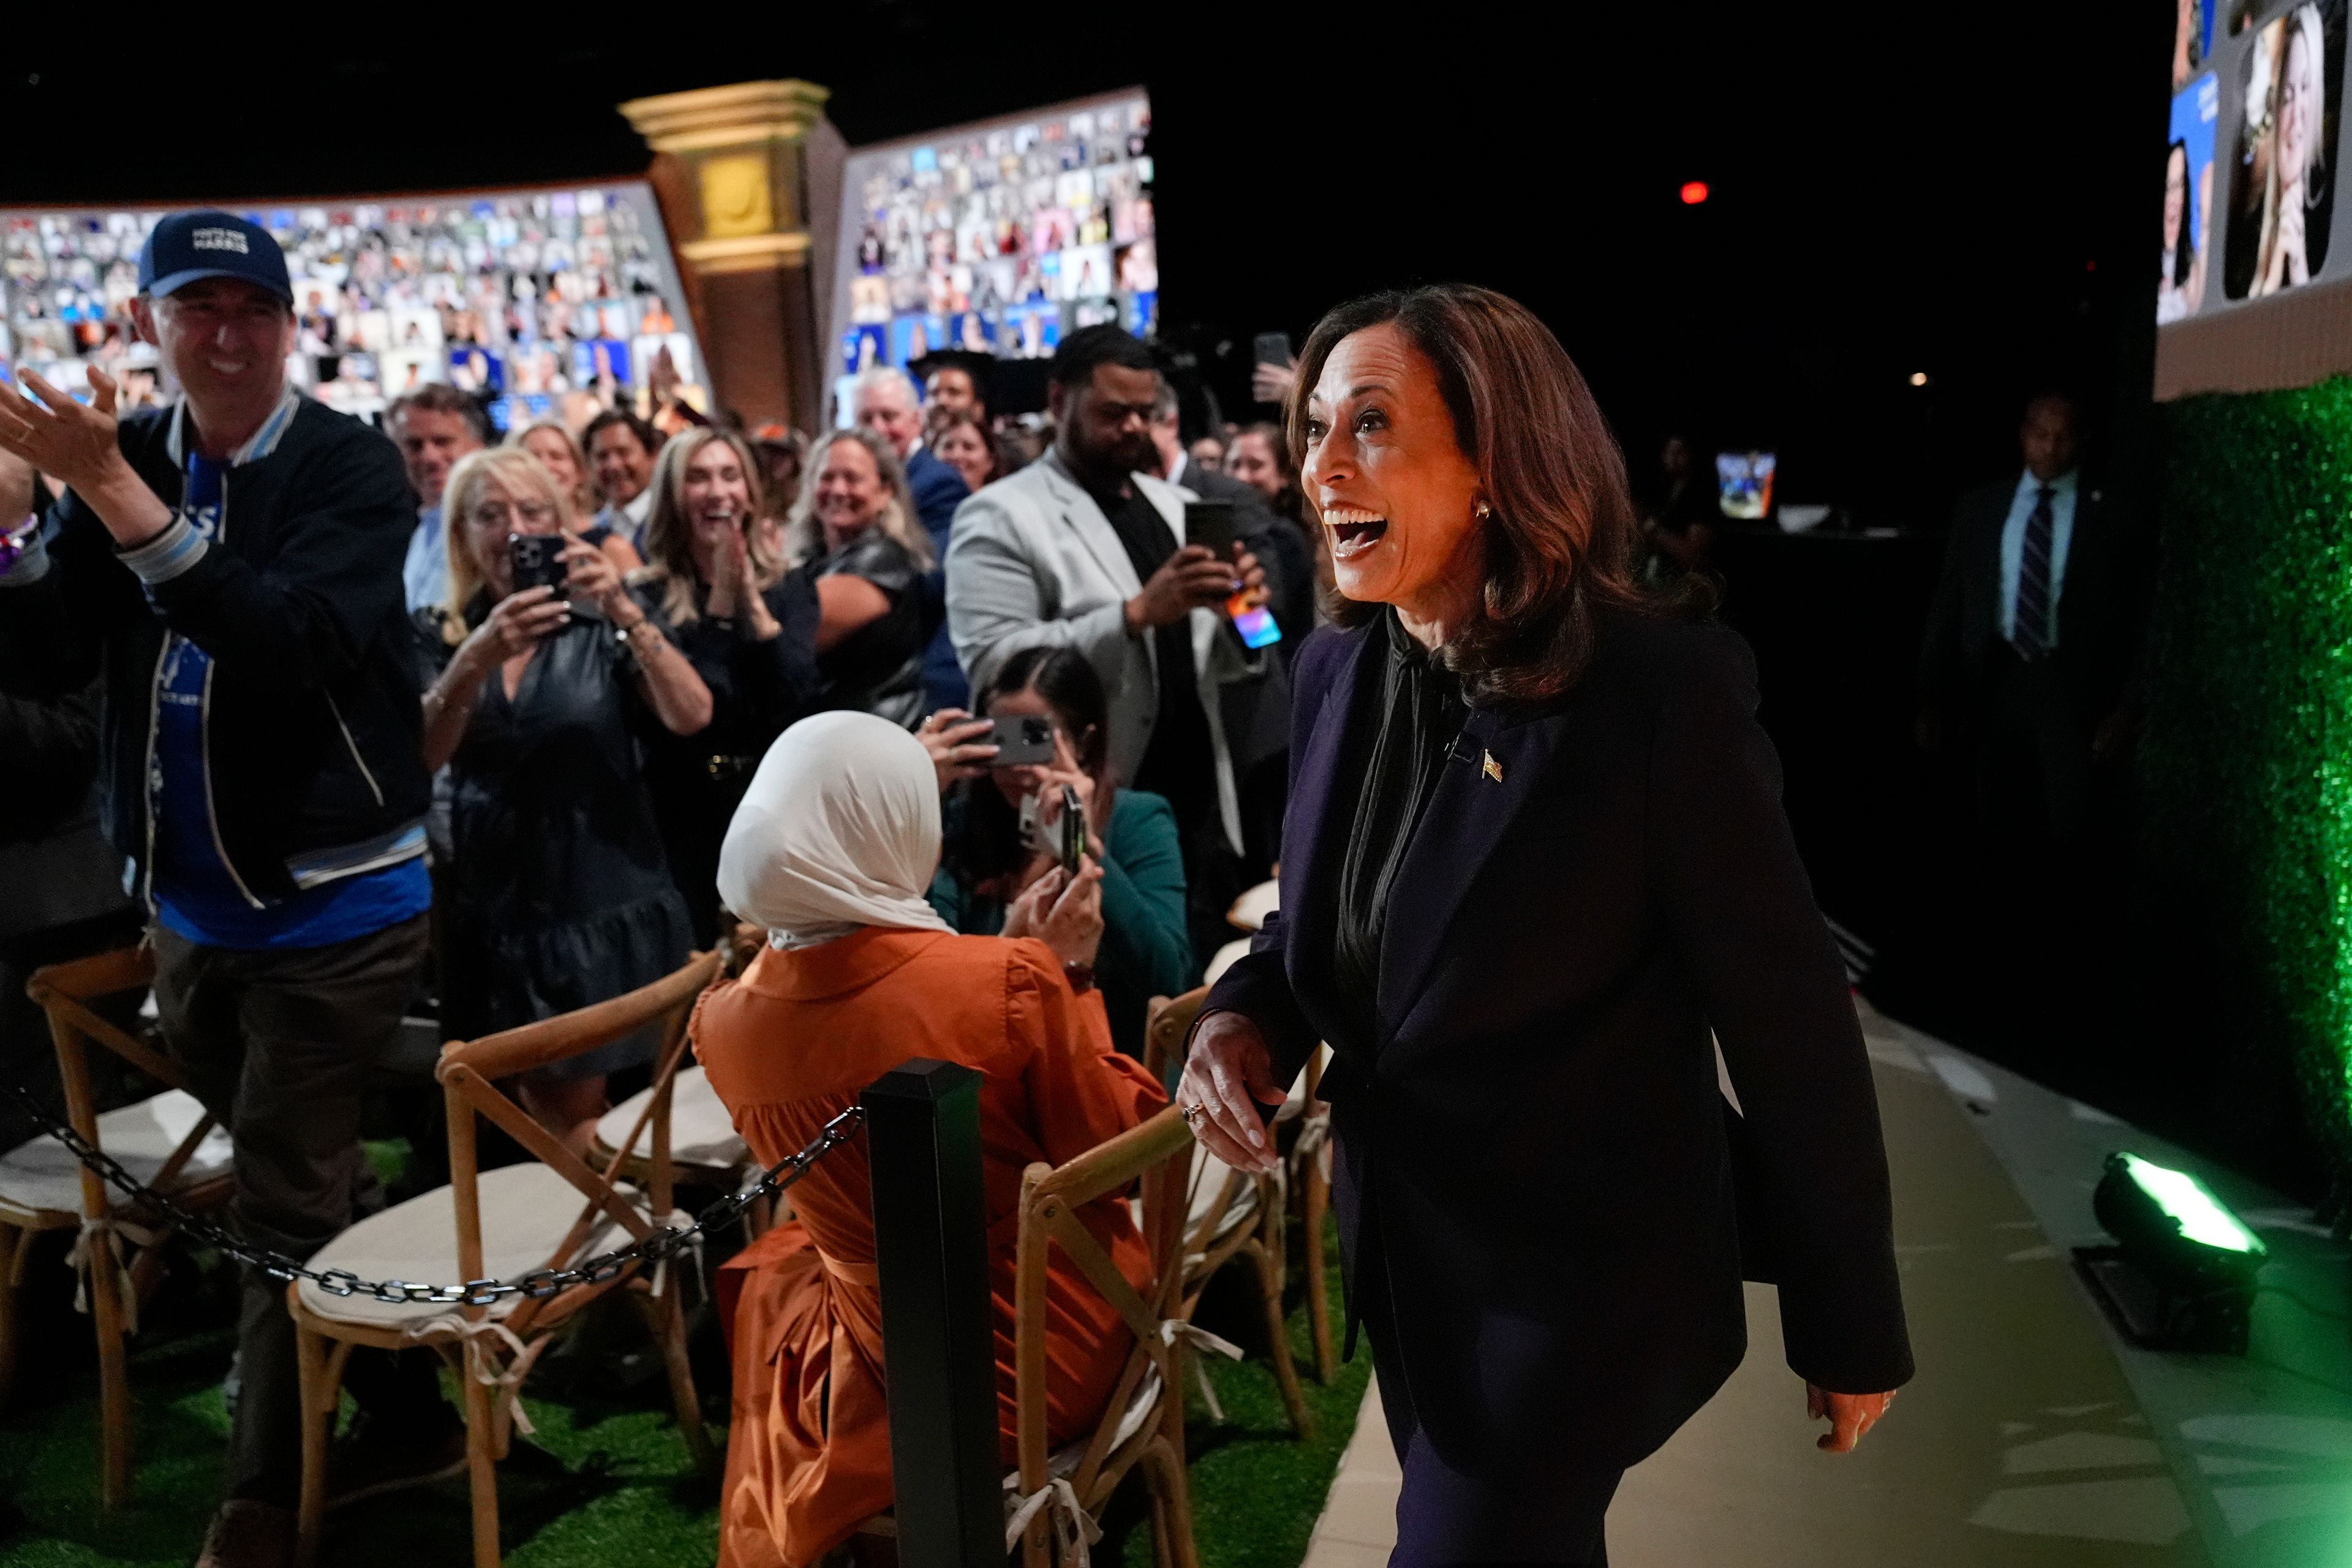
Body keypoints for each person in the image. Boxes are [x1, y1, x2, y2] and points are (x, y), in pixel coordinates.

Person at [1179, 285, 1910, 1568]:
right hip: (1410, 1252)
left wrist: (1848, 1312)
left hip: (1583, 1283)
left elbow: (1789, 1023)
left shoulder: (1654, 694)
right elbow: (1327, 920)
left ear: (1493, 464)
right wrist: (1244, 1016)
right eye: (1311, 431)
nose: (1321, 466)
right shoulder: (1340, 668)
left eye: (1369, 425)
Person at [0, 211, 459, 1566]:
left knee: (275, 1187)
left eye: (251, 308)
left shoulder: (348, 465)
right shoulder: (128, 451)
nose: (227, 334)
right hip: (189, 908)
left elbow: (289, 638)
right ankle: (404, 1396)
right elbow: (52, 643)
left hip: (339, 904)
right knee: (294, 1169)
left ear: (291, 322)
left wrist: (117, 504)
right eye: (196, 308)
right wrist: (25, 524)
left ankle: (263, 1491)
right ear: (149, 324)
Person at [696, 711, 1166, 1568]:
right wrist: (1068, 978)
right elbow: (1112, 1157)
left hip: (871, 1347)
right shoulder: (1011, 979)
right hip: (1047, 1342)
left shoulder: (721, 1022)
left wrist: (1014, 967)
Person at [415, 447, 710, 1155]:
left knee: (593, 1120)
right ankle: (622, 1254)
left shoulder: (599, 621)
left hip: (605, 900)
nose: (514, 530)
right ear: (462, 534)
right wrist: (475, 657)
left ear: (563, 523)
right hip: (498, 913)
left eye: (533, 512)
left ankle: (613, 1256)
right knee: (539, 1117)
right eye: (491, 514)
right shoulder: (444, 633)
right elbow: (420, 757)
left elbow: (691, 711)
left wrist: (618, 604)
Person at [948, 325, 1273, 966]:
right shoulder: (1000, 513)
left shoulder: (1176, 502)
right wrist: (1132, 614)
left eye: (1144, 414)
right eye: (1112, 412)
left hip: (1200, 801)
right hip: (1091, 804)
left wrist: (1248, 617)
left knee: (1191, 1006)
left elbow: (1234, 659)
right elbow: (992, 662)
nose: (1132, 427)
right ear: (1058, 400)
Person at [920, 647, 1191, 1056]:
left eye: (1032, 739)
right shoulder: (960, 824)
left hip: (1103, 1061)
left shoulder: (1138, 820)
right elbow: (930, 963)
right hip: (987, 1056)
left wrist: (1080, 847)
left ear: (1083, 741)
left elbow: (1168, 977)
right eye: (1001, 741)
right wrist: (917, 796)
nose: (1015, 766)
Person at [1918, 392, 2135, 859]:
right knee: (1991, 816)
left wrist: (2126, 704)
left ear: (2082, 441)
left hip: (2069, 683)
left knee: (2069, 824)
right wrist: (1931, 693)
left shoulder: (2110, 513)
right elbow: (1949, 603)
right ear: (2023, 436)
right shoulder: (1981, 508)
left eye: (2063, 437)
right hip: (1994, 676)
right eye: (2041, 435)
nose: (2051, 448)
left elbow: (2133, 612)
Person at [630, 426, 824, 946]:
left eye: (729, 475)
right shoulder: (644, 598)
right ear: (674, 496)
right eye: (698, 478)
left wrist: (754, 606)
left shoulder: (791, 585)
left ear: (750, 492)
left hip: (774, 807)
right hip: (682, 814)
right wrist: (719, 603)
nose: (718, 492)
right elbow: (701, 709)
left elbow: (798, 696)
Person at [782, 427, 938, 728]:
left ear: (885, 493)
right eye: (827, 477)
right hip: (835, 736)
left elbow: (801, 631)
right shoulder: (813, 561)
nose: (838, 490)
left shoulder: (884, 559)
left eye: (852, 478)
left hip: (874, 741)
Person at [853, 365, 971, 709]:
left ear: (916, 421)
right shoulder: (854, 486)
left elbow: (928, 578)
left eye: (889, 416)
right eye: (866, 418)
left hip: (921, 671)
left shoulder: (938, 484)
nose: (877, 429)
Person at [390, 383, 486, 612]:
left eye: (442, 441)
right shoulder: (419, 533)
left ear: (477, 447)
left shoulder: (491, 531)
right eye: (414, 445)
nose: (430, 457)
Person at [2258, 4, 2329, 295]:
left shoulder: (2328, 209)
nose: (2297, 113)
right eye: (2287, 97)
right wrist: (2271, 278)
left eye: (2306, 89)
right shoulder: (2252, 225)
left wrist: (2299, 269)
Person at [514, 417, 641, 573]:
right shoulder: (512, 548)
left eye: (557, 456)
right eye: (533, 458)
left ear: (580, 471)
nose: (545, 466)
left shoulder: (613, 547)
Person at [1638, 434, 1722, 582]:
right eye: (1668, 452)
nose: (1672, 459)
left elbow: (1694, 557)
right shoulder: (1664, 487)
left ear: (1691, 455)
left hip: (1682, 587)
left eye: (1679, 452)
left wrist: (1656, 532)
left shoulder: (1701, 494)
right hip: (1656, 582)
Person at [584, 406, 662, 548]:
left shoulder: (671, 520)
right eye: (602, 457)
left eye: (623, 452)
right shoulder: (593, 529)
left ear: (652, 456)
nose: (613, 465)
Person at [931, 407, 1000, 494]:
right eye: (948, 446)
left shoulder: (1004, 506)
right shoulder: (916, 504)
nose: (957, 455)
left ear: (990, 460)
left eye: (969, 447)